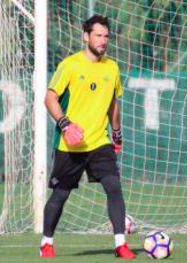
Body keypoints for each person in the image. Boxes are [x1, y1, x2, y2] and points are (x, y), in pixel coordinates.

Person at [39, 15, 136, 259]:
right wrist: (65, 124)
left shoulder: (112, 67)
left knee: (114, 187)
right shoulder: (70, 65)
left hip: (98, 141)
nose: (103, 41)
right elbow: (49, 98)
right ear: (86, 36)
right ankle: (46, 243)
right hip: (70, 143)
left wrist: (116, 133)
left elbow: (113, 103)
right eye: (98, 35)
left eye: (106, 36)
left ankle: (120, 244)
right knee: (61, 194)